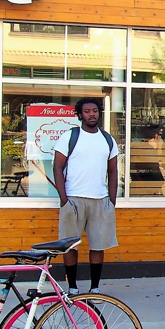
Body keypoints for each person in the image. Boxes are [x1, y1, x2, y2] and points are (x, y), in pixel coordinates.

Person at [53, 97, 119, 296]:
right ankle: (72, 287)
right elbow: (57, 167)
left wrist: (112, 200)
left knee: (98, 245)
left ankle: (95, 287)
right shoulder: (69, 137)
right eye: (88, 111)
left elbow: (114, 171)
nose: (92, 114)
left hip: (100, 200)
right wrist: (64, 199)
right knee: (70, 245)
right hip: (73, 199)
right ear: (80, 114)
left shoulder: (107, 139)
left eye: (95, 111)